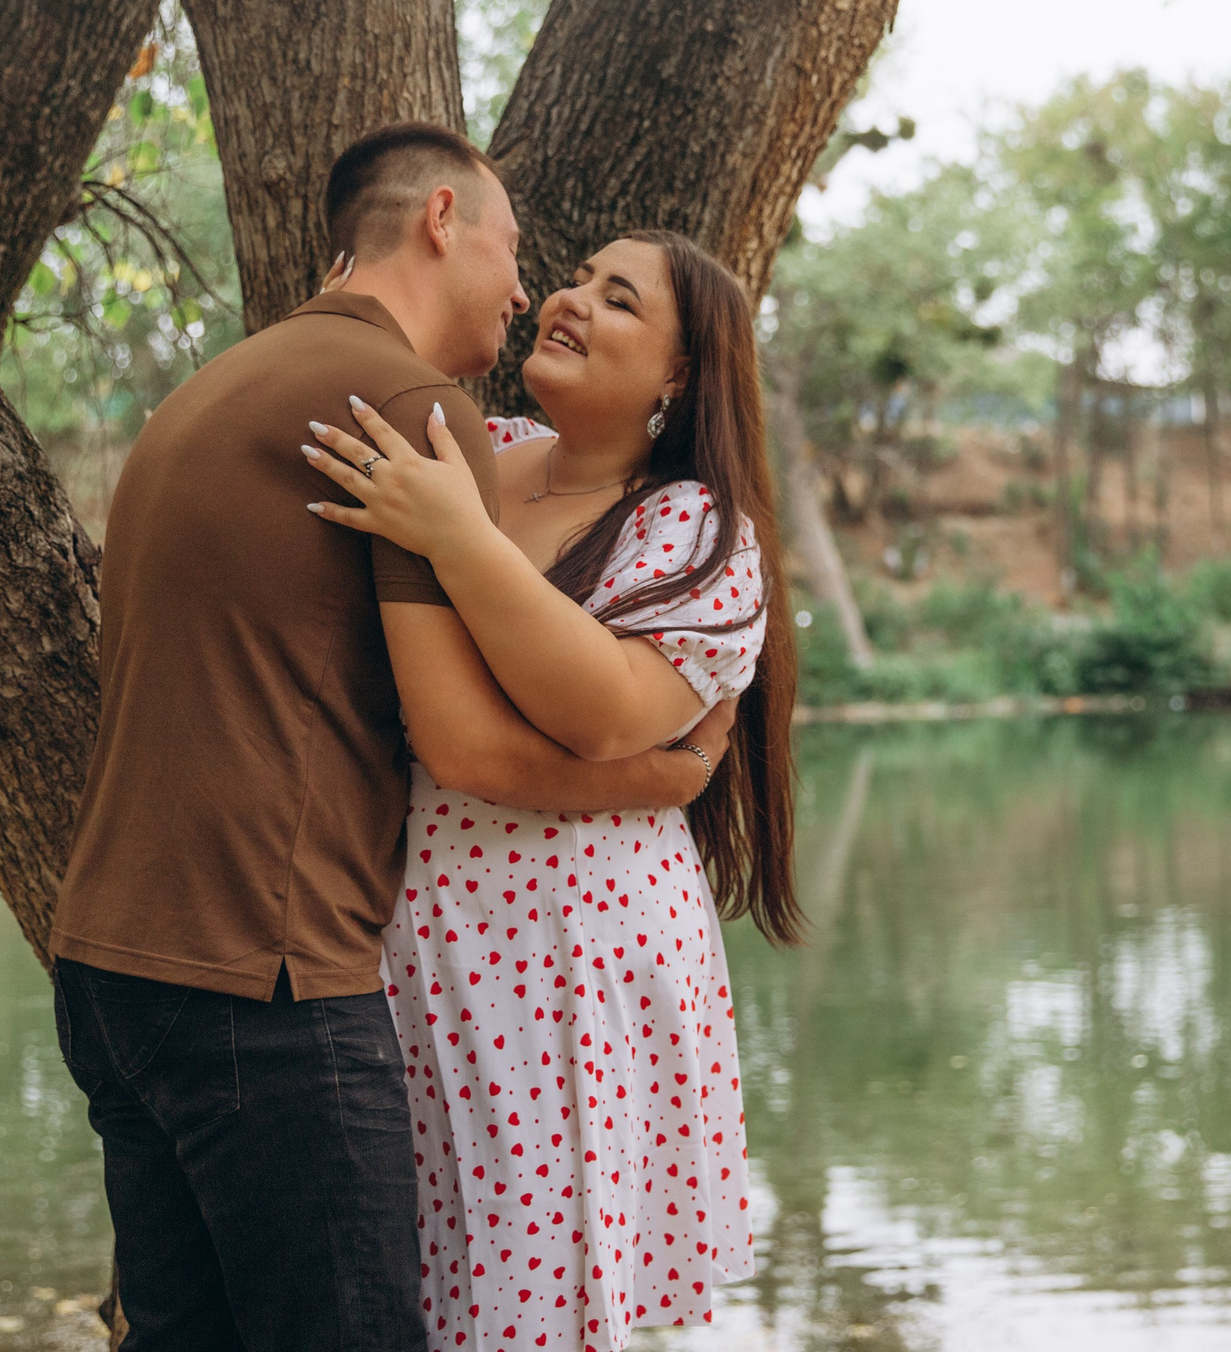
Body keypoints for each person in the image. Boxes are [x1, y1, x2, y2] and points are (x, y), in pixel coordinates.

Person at [49, 125, 734, 1352]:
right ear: (439, 220)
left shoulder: (212, 389)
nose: (535, 293)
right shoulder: (416, 416)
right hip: (264, 975)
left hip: (114, 963)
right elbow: (462, 744)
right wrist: (668, 773)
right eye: (524, 253)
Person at [301, 227, 801, 1352]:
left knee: (534, 1300)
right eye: (575, 280)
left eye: (616, 299)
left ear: (679, 375)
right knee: (409, 1289)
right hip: (404, 937)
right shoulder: (482, 451)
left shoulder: (695, 526)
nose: (567, 302)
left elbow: (602, 711)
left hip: (564, 959)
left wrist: (453, 539)